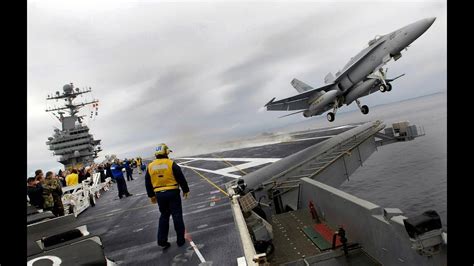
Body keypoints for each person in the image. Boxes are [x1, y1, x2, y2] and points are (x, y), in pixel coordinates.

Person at [145, 143, 190, 249]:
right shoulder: (171, 163)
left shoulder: (150, 166)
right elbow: (180, 177)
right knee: (177, 215)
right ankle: (180, 240)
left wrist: (151, 195)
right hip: (173, 192)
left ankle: (162, 241)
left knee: (164, 216)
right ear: (166, 152)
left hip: (159, 194)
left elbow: (147, 182)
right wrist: (185, 190)